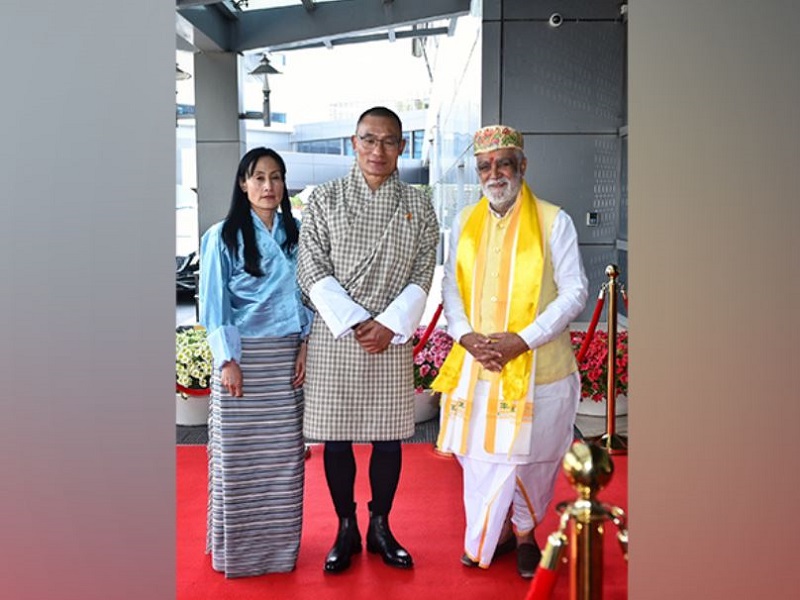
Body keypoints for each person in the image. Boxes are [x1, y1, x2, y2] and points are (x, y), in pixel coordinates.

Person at [432, 125, 588, 578]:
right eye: (485, 165)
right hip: (478, 366)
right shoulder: (464, 222)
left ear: (522, 166)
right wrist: (464, 335)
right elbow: (451, 287)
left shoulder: (554, 220)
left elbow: (575, 292)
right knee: (480, 458)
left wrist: (525, 339)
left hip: (540, 366)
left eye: (504, 163)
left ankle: (523, 532)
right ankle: (490, 530)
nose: (494, 173)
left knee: (534, 458)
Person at [297, 106, 439, 574]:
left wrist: (390, 324)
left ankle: (381, 525)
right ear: (354, 144)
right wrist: (359, 321)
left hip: (391, 337)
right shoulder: (324, 198)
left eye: (389, 141)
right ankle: (345, 527)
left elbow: (423, 271)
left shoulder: (419, 204)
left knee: (389, 439)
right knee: (336, 441)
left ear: (402, 147)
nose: (379, 150)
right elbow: (310, 267)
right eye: (369, 140)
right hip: (340, 335)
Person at [198, 147, 312, 578]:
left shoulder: (297, 233)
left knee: (282, 460)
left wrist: (305, 343)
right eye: (259, 177)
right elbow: (214, 303)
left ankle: (278, 551)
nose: (268, 186)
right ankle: (239, 551)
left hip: (285, 359)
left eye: (277, 177)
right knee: (239, 458)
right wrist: (227, 359)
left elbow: (308, 295)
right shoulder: (222, 236)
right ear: (243, 184)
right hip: (243, 358)